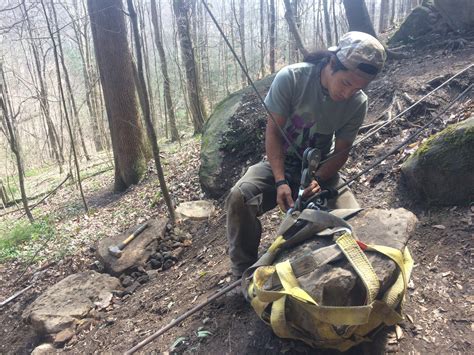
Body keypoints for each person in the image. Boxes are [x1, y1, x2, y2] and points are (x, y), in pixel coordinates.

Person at [226, 31, 387, 278]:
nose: (348, 94)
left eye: (358, 88)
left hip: (319, 168)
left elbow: (341, 151)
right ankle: (241, 270)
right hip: (281, 161)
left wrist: (318, 180)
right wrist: (280, 181)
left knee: (352, 219)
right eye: (346, 83)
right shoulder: (292, 78)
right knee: (241, 196)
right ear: (331, 64)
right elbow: (273, 134)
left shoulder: (358, 102)